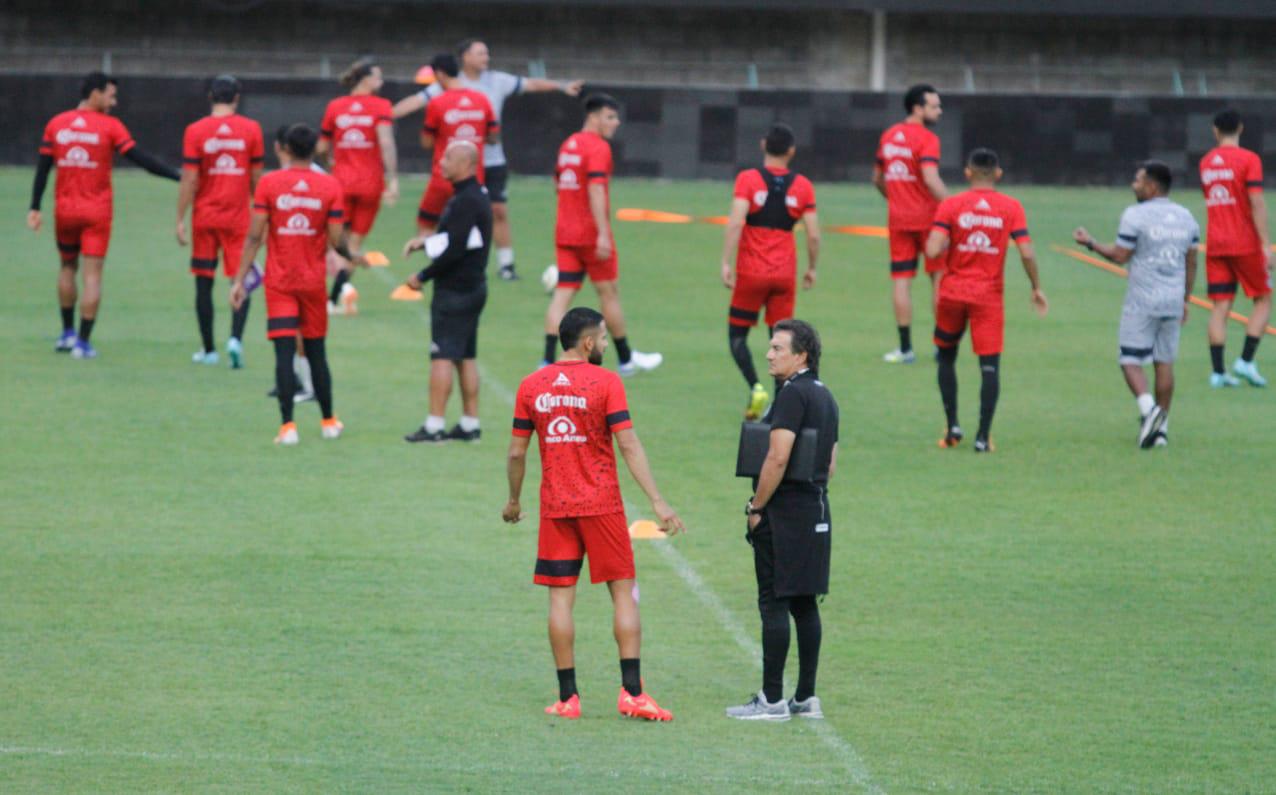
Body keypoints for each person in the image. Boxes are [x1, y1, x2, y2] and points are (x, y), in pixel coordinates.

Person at [504, 306, 685, 721]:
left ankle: (568, 699)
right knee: (623, 592)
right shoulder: (606, 382)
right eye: (603, 339)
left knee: (560, 599)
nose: (605, 344)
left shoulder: (531, 385)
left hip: (556, 508)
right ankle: (633, 694)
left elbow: (516, 452)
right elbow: (628, 444)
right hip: (602, 505)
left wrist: (514, 500)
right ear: (587, 343)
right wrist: (657, 500)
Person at [392, 38, 584, 282]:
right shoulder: (446, 86)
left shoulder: (497, 80)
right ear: (465, 57)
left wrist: (562, 86)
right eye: (481, 53)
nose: (486, 57)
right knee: (460, 214)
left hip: (492, 161)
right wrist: (386, 113)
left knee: (497, 211)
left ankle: (506, 265)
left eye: (487, 53)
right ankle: (449, 261)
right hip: (462, 165)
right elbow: (417, 100)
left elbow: (531, 83)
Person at [727, 319, 838, 722]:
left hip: (785, 513)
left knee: (773, 601)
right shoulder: (825, 395)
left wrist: (757, 507)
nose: (769, 355)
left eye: (778, 348)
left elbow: (777, 456)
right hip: (816, 509)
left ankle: (771, 700)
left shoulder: (792, 394)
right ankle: (805, 697)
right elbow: (831, 462)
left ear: (801, 356)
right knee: (805, 603)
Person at [229, 123, 365, 445]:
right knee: (317, 352)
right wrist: (354, 257)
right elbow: (337, 241)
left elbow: (254, 237)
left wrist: (239, 280)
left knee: (284, 352)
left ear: (286, 149)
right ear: (315, 148)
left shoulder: (269, 184)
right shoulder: (330, 186)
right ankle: (328, 422)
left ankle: (288, 427)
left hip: (280, 283)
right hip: (312, 283)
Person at [28, 71, 180, 359]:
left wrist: (34, 207)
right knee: (92, 276)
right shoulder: (110, 127)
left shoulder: (57, 124)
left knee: (67, 267)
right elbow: (141, 159)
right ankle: (83, 344)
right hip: (96, 213)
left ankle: (66, 334)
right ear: (95, 93)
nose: (114, 102)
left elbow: (43, 167)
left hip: (65, 212)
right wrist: (178, 177)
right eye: (111, 96)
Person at [925, 148, 1047, 452]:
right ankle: (982, 437)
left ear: (967, 172)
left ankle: (952, 427)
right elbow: (1027, 252)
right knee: (989, 366)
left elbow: (932, 249)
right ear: (998, 174)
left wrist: (957, 241)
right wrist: (1036, 287)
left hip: (952, 293)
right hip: (988, 298)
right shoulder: (1011, 207)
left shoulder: (951, 205)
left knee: (946, 358)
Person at [1073, 161, 1199, 448]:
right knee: (1164, 362)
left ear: (1152, 186)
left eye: (1138, 181)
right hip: (1173, 299)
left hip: (1143, 300)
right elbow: (1191, 262)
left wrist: (1090, 243)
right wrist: (1185, 299)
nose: (1134, 185)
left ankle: (1149, 410)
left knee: (1129, 360)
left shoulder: (1135, 215)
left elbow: (1120, 255)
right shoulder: (1187, 217)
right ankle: (1161, 431)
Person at [541, 94, 662, 376]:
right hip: (590, 235)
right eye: (610, 117)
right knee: (609, 294)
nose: (616, 122)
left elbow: (557, 183)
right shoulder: (598, 147)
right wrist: (603, 234)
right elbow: (595, 189)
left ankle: (546, 361)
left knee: (561, 295)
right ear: (593, 117)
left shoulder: (569, 144)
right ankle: (626, 360)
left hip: (565, 232)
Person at [720, 122, 819, 420]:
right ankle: (778, 406)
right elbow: (814, 235)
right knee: (782, 340)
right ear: (791, 151)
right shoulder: (803, 186)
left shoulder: (748, 179)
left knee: (737, 335)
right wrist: (812, 267)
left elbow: (736, 222)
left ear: (763, 145)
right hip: (784, 274)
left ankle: (755, 387)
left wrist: (725, 261)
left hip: (751, 271)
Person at [400, 141, 493, 444]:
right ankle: (469, 424)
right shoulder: (474, 195)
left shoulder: (466, 200)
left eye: (448, 157)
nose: (441, 161)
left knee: (441, 355)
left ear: (466, 164)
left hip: (456, 291)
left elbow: (455, 249)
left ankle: (434, 425)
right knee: (465, 356)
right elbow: (459, 238)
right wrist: (425, 243)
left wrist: (422, 276)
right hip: (473, 288)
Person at [176, 74, 265, 368]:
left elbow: (190, 178)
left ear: (210, 97)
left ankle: (209, 350)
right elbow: (256, 177)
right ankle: (235, 340)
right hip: (238, 217)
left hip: (205, 217)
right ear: (237, 98)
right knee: (241, 278)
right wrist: (261, 212)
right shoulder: (251, 129)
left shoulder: (195, 130)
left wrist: (180, 217)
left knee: (203, 283)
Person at [317, 56, 398, 316]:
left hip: (340, 183)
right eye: (377, 76)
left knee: (333, 240)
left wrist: (330, 163)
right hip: (370, 185)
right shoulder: (381, 106)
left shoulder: (335, 106)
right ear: (365, 79)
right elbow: (386, 143)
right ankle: (334, 298)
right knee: (354, 245)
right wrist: (393, 178)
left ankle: (323, 293)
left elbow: (321, 146)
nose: (381, 81)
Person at [873, 83, 948, 364]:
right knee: (938, 279)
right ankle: (942, 347)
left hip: (899, 220)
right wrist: (953, 208)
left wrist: (895, 199)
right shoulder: (928, 139)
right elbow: (930, 178)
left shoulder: (889, 136)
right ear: (918, 108)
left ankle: (905, 349)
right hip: (930, 221)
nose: (939, 111)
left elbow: (877, 179)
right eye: (934, 106)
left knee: (901, 282)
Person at [1198, 109, 1272, 387]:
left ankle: (1218, 373)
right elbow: (1256, 202)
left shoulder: (1206, 162)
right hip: (1245, 243)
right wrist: (1265, 245)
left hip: (1216, 243)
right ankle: (1246, 361)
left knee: (1220, 305)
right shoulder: (1249, 159)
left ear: (1215, 131)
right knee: (1263, 299)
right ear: (1240, 128)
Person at [415, 53, 498, 234]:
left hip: (443, 177)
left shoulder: (437, 102)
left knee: (426, 223)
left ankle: (433, 251)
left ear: (439, 74)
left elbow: (427, 143)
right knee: (469, 229)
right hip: (473, 179)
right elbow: (493, 137)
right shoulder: (482, 99)